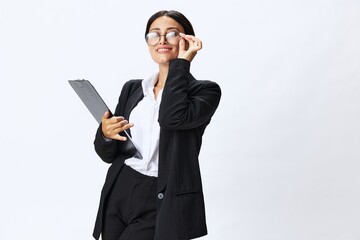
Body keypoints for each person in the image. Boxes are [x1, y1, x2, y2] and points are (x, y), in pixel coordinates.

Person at [92, 10, 221, 240]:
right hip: (121, 185)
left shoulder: (205, 91)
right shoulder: (133, 89)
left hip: (161, 195)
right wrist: (105, 134)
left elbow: (171, 117)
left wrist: (182, 63)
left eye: (172, 33)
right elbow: (108, 154)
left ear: (188, 41)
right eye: (154, 34)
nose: (161, 40)